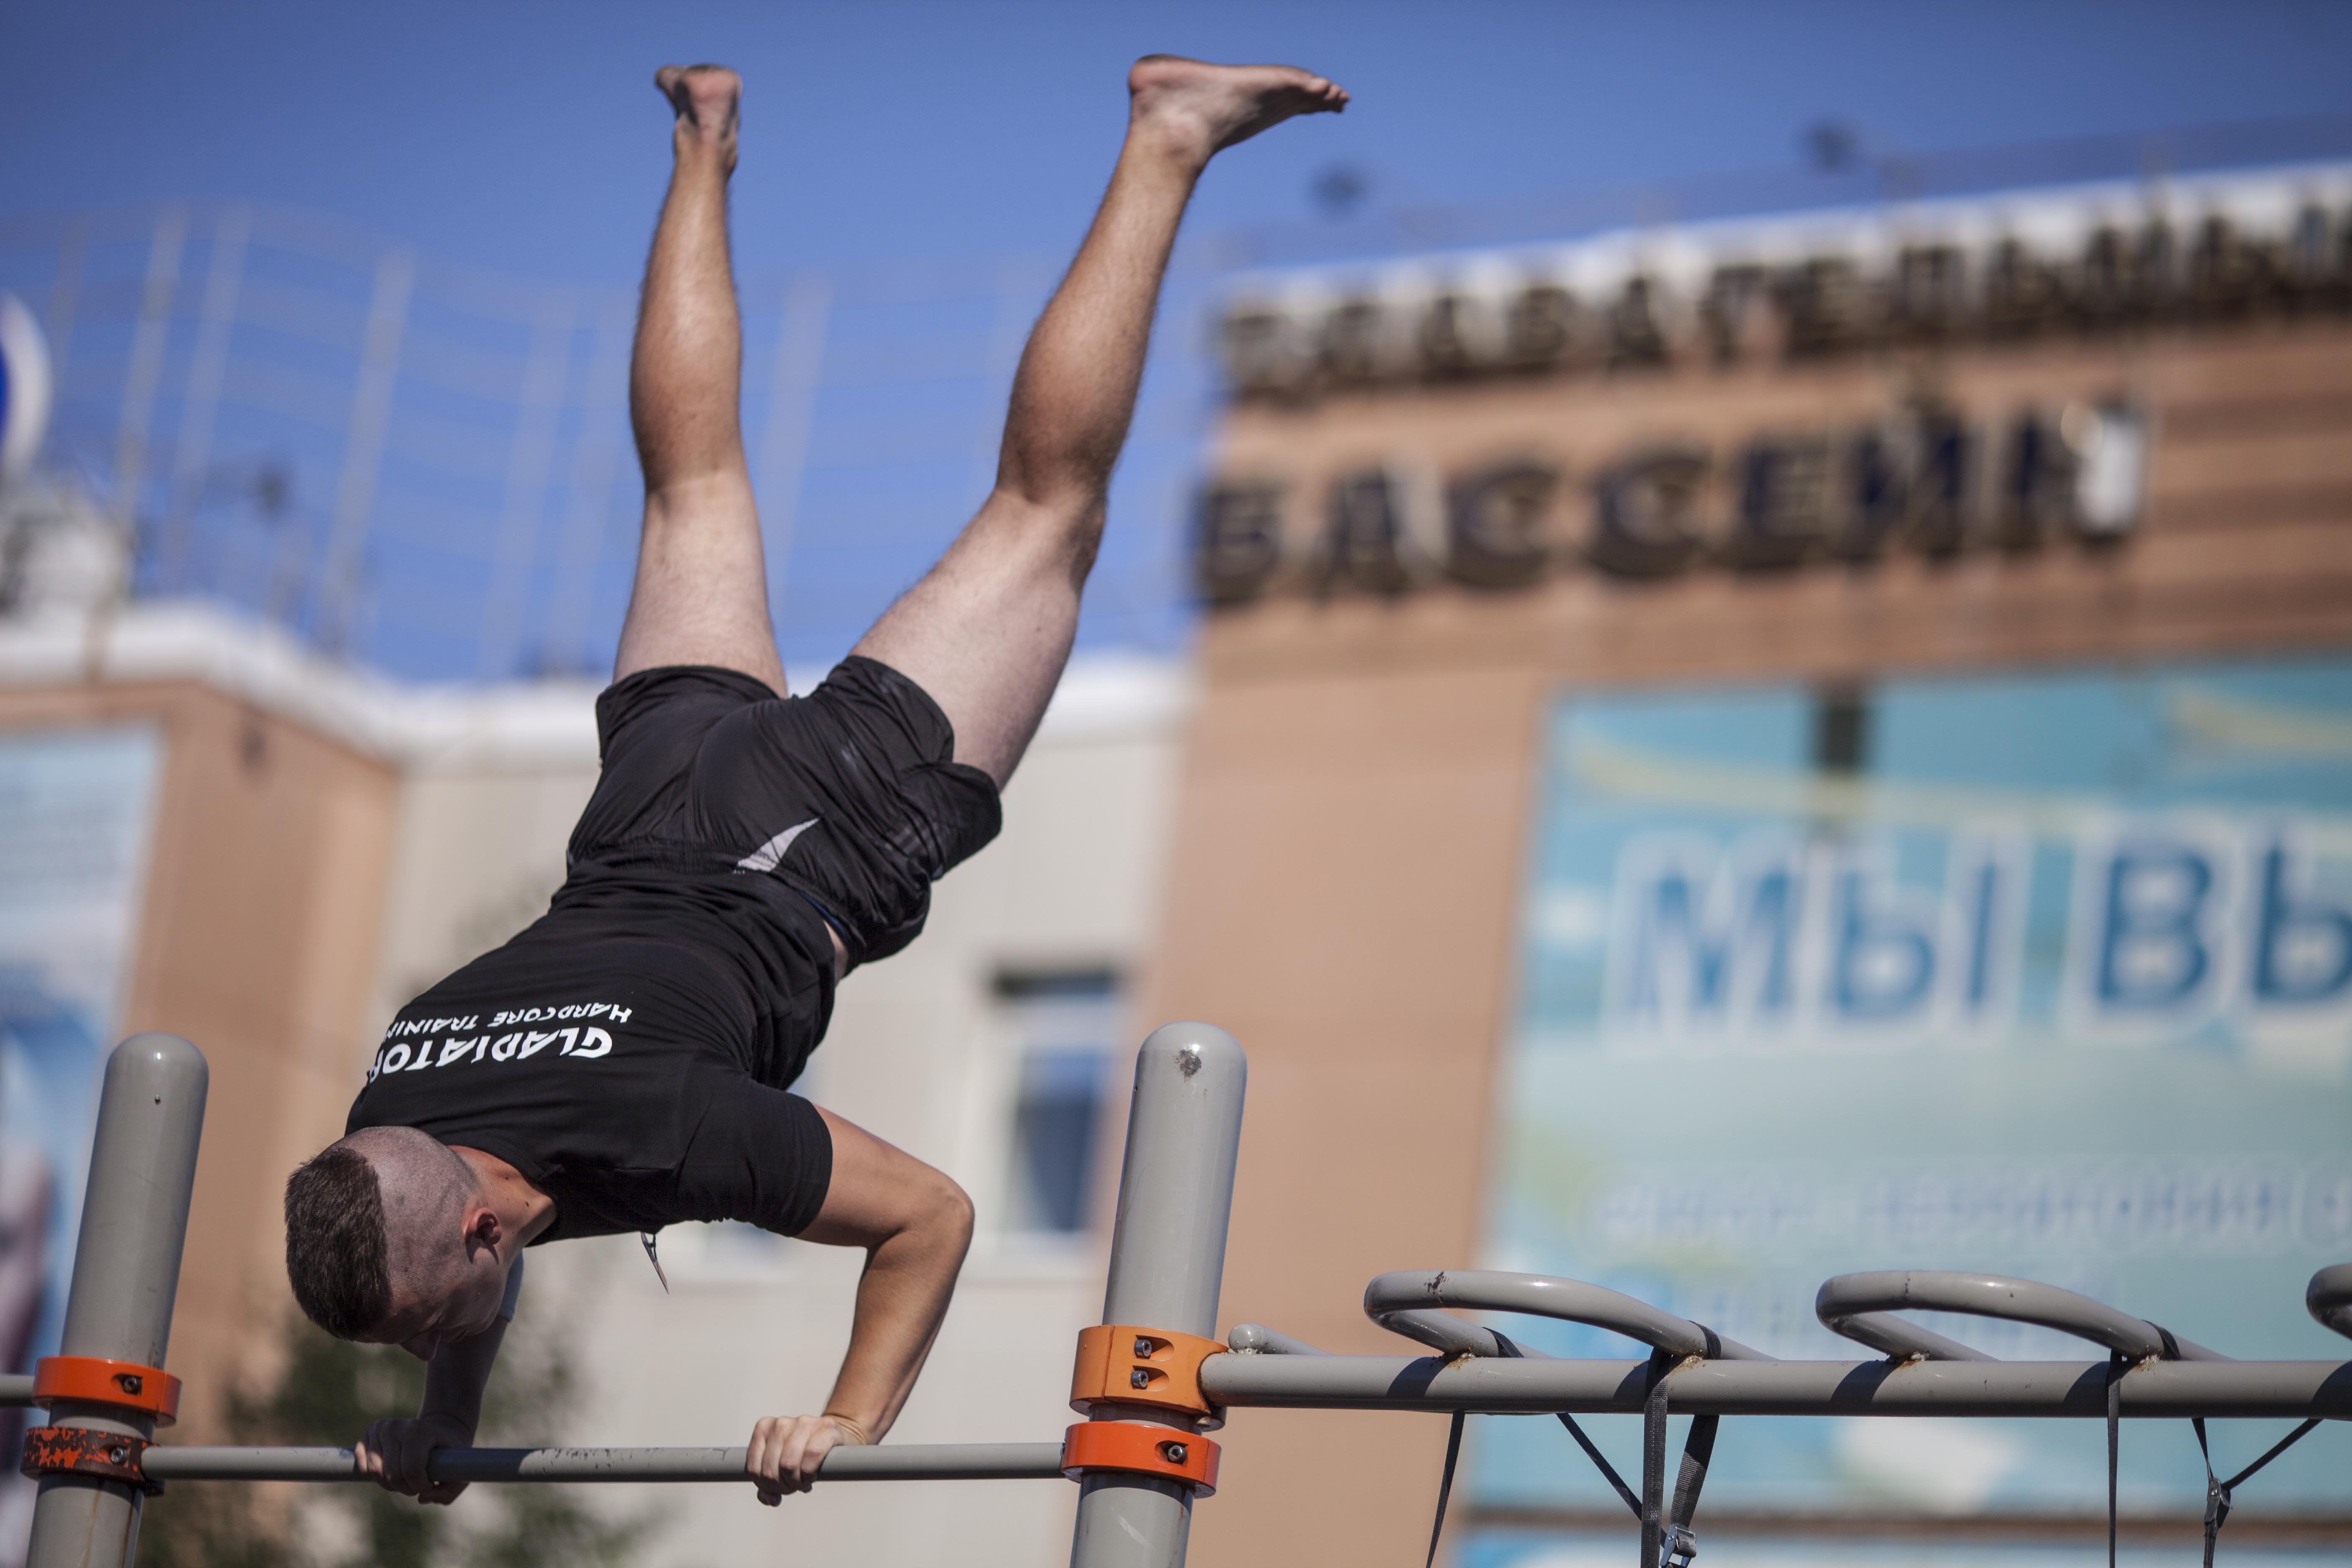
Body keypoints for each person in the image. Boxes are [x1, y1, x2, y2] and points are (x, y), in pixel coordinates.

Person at [280, 54, 1346, 1507]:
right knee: (692, 489)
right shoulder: (389, 1108)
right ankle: (700, 144)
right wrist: (444, 1430)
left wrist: (845, 1417)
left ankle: (1168, 137)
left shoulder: (668, 1127)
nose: (424, 1352)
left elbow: (933, 1216)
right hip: (646, 801)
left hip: (818, 824)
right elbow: (484, 1222)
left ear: (470, 1233)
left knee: (1048, 510)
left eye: (419, 1331)